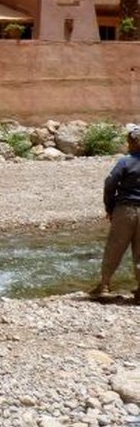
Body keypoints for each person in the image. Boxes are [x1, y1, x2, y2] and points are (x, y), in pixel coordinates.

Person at [90, 124, 140, 300]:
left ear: (133, 142)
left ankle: (104, 286)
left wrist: (109, 207)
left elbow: (109, 185)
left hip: (125, 210)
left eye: (129, 140)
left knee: (115, 247)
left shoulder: (125, 162)